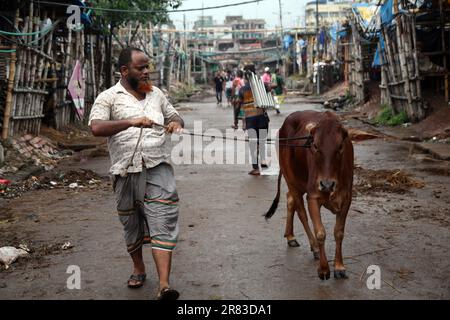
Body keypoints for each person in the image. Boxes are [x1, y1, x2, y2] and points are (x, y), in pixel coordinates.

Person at [88, 47, 184, 300]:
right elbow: (96, 128)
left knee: (162, 221)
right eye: (140, 68)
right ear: (124, 70)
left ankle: (164, 285)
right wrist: (131, 122)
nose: (146, 72)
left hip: (157, 166)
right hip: (125, 170)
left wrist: (175, 123)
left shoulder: (156, 94)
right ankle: (139, 267)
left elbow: (174, 115)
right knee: (131, 224)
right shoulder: (108, 97)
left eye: (147, 67)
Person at [239, 64, 269, 175]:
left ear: (245, 76)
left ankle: (256, 168)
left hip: (250, 119)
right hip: (263, 118)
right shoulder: (262, 86)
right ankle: (263, 160)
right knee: (262, 141)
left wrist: (237, 122)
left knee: (253, 144)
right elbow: (269, 93)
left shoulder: (242, 90)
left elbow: (239, 106)